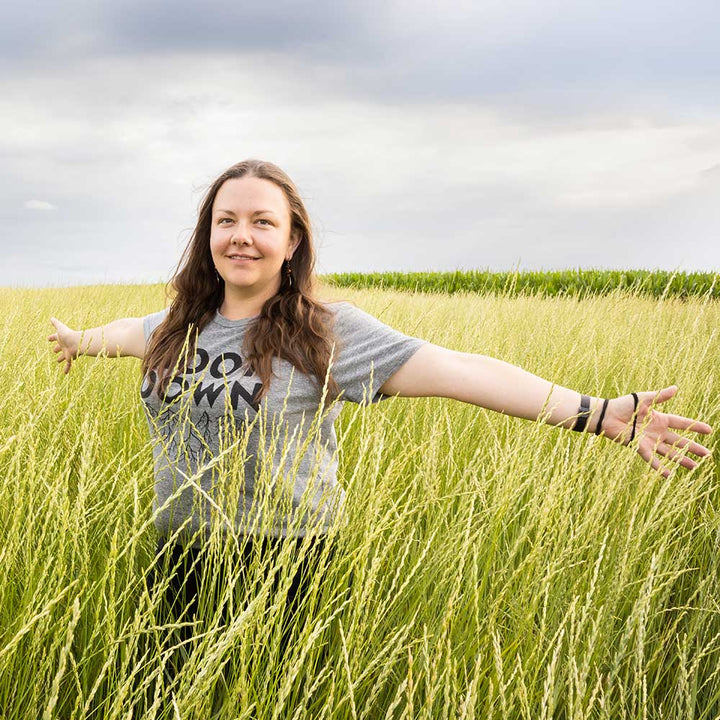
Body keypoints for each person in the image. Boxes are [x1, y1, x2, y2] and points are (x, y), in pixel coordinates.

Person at [47, 159, 712, 681]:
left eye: (262, 222)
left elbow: (463, 371)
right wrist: (78, 339)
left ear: (291, 240)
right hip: (180, 551)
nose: (241, 235)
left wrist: (595, 414)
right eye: (226, 220)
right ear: (207, 235)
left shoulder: (325, 332)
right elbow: (122, 335)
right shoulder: (174, 327)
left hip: (284, 559)